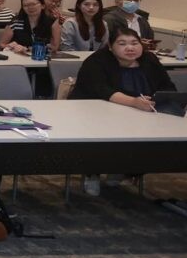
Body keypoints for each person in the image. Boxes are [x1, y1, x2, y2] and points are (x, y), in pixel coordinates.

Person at [71, 27, 174, 195]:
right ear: (111, 47)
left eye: (135, 43)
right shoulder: (97, 61)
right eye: (122, 43)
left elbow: (167, 86)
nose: (130, 48)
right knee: (101, 135)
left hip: (144, 112)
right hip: (98, 112)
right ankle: (92, 173)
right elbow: (101, 90)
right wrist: (133, 102)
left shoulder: (149, 59)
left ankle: (124, 169)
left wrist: (173, 101)